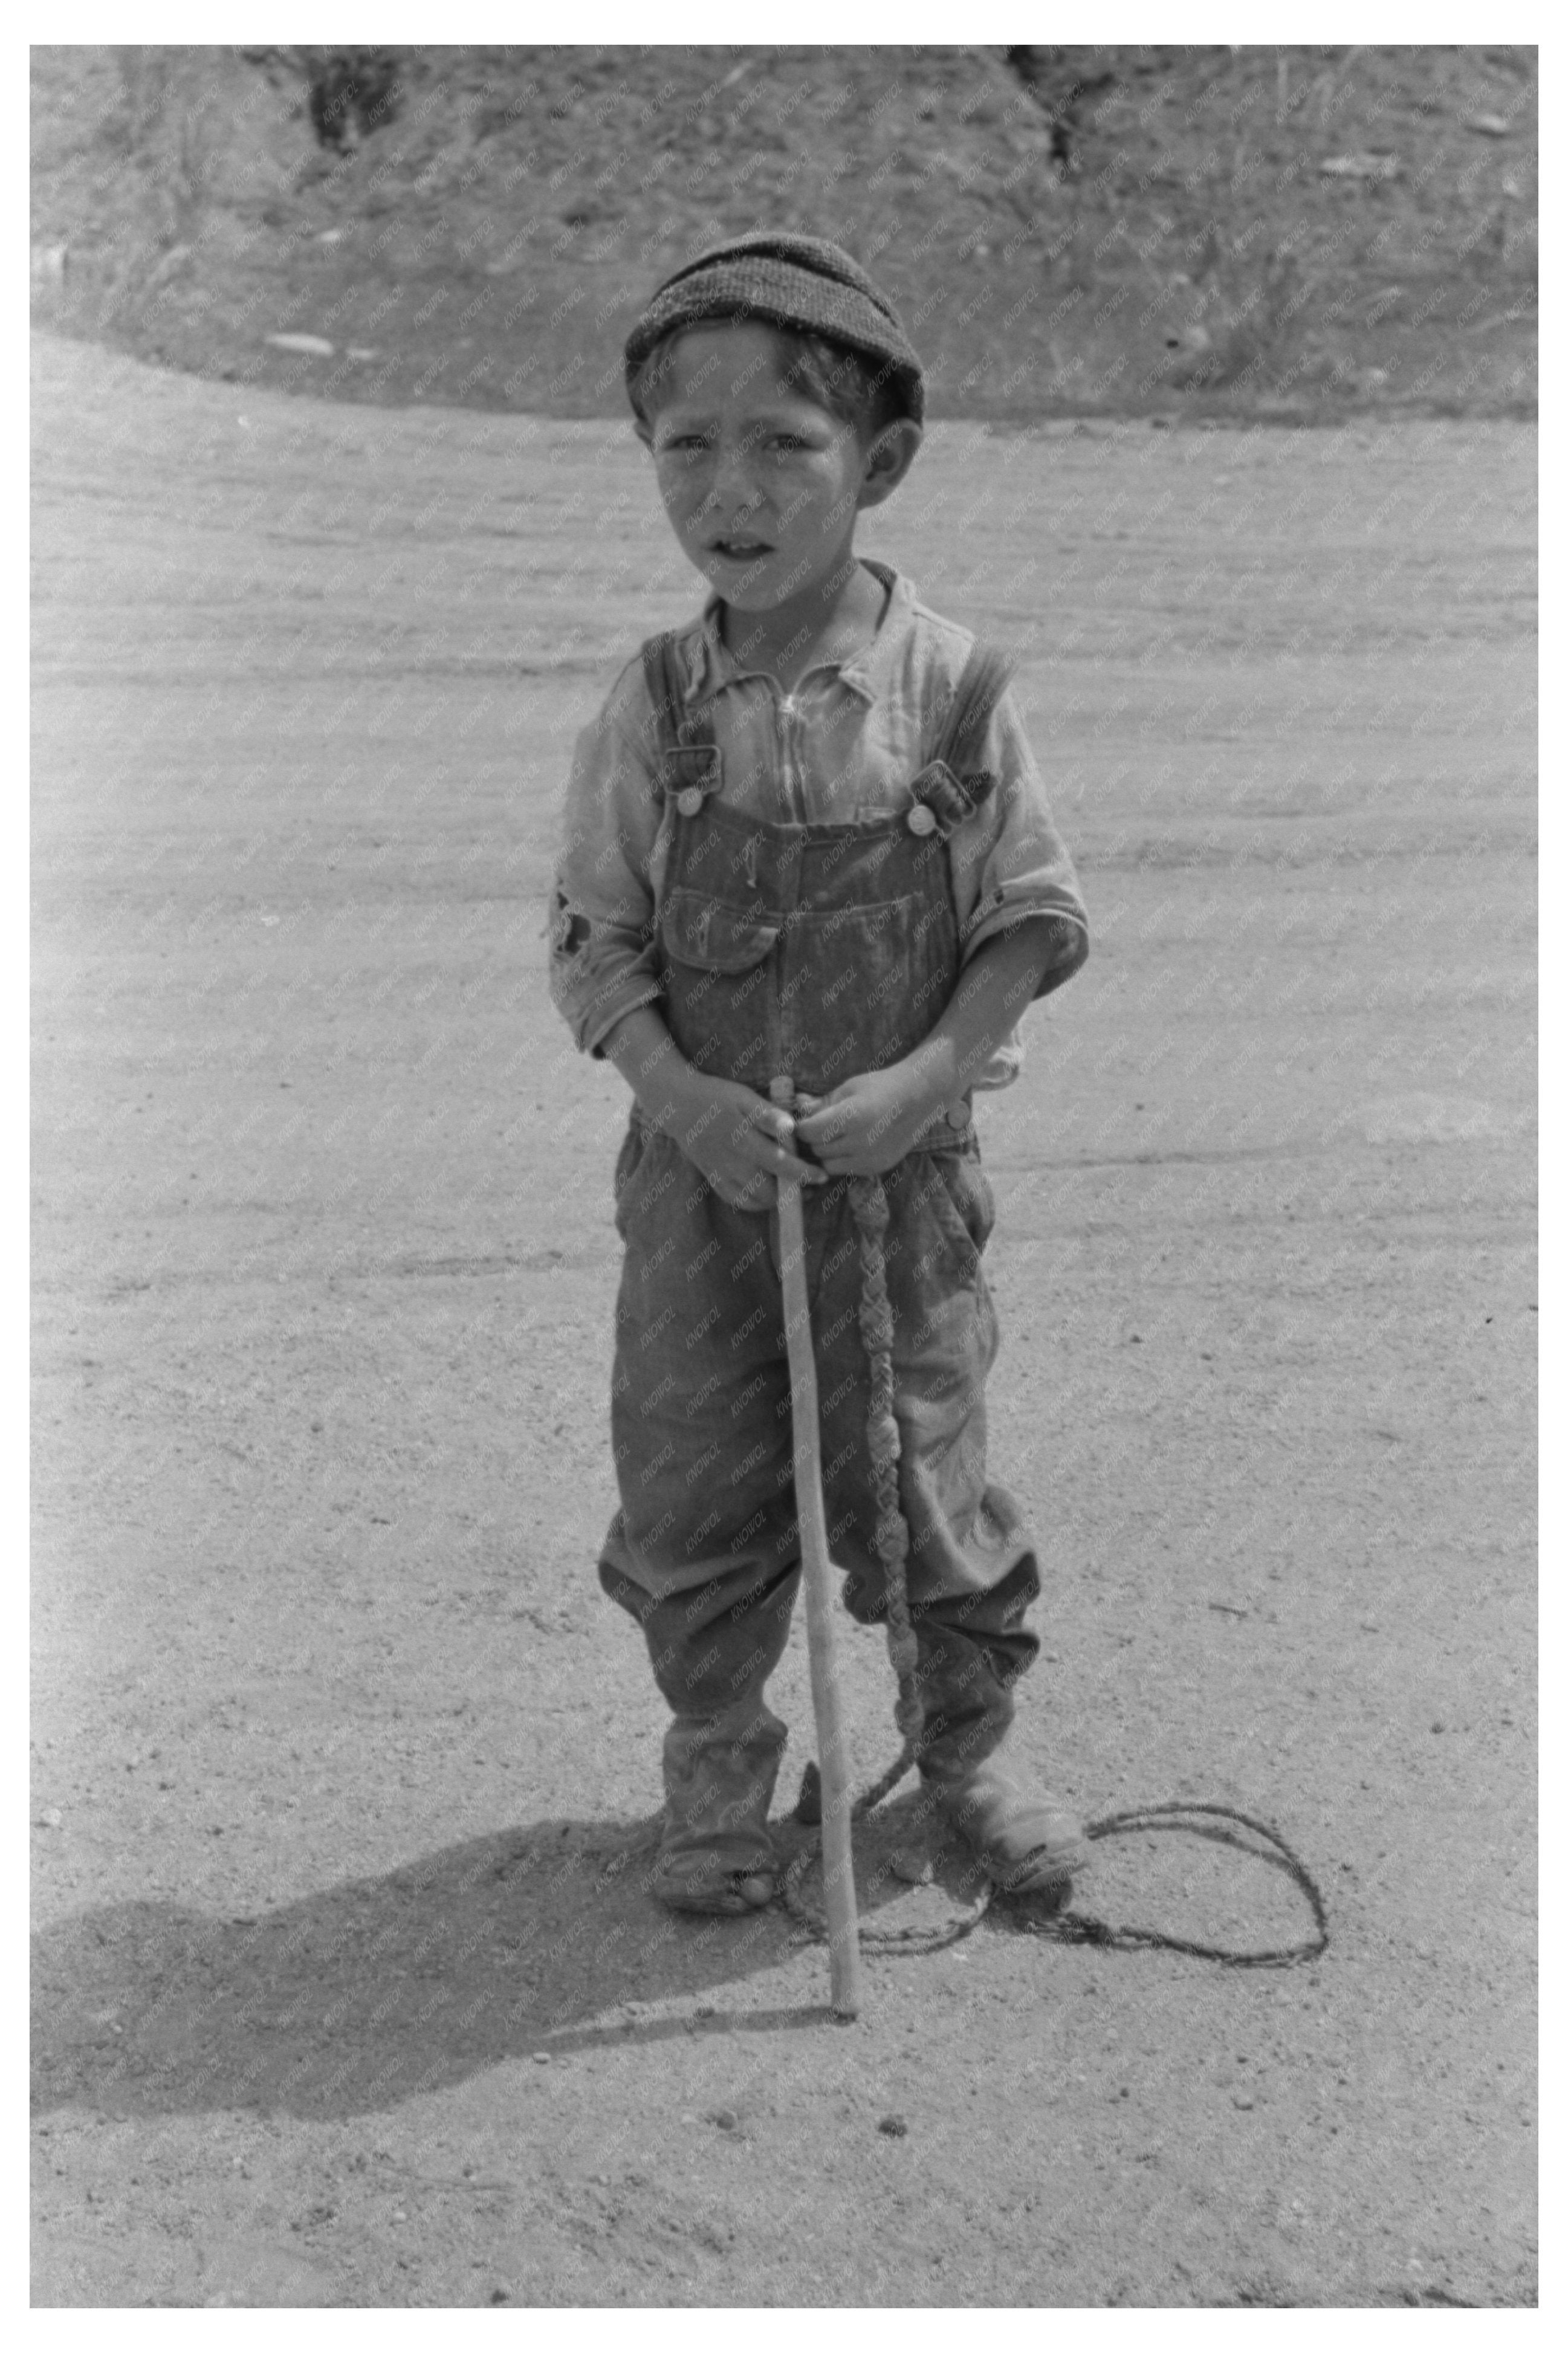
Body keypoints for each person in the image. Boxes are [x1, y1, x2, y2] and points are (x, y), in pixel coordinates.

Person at [548, 232, 1092, 1917]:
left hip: (900, 1182)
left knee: (920, 1472)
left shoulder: (949, 690)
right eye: (685, 446)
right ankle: (717, 1766)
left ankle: (968, 1759)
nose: (732, 488)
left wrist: (927, 1078)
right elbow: (593, 944)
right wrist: (680, 1096)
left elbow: (1031, 915)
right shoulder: (651, 707)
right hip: (702, 1186)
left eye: (784, 443)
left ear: (881, 464)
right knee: (694, 1485)